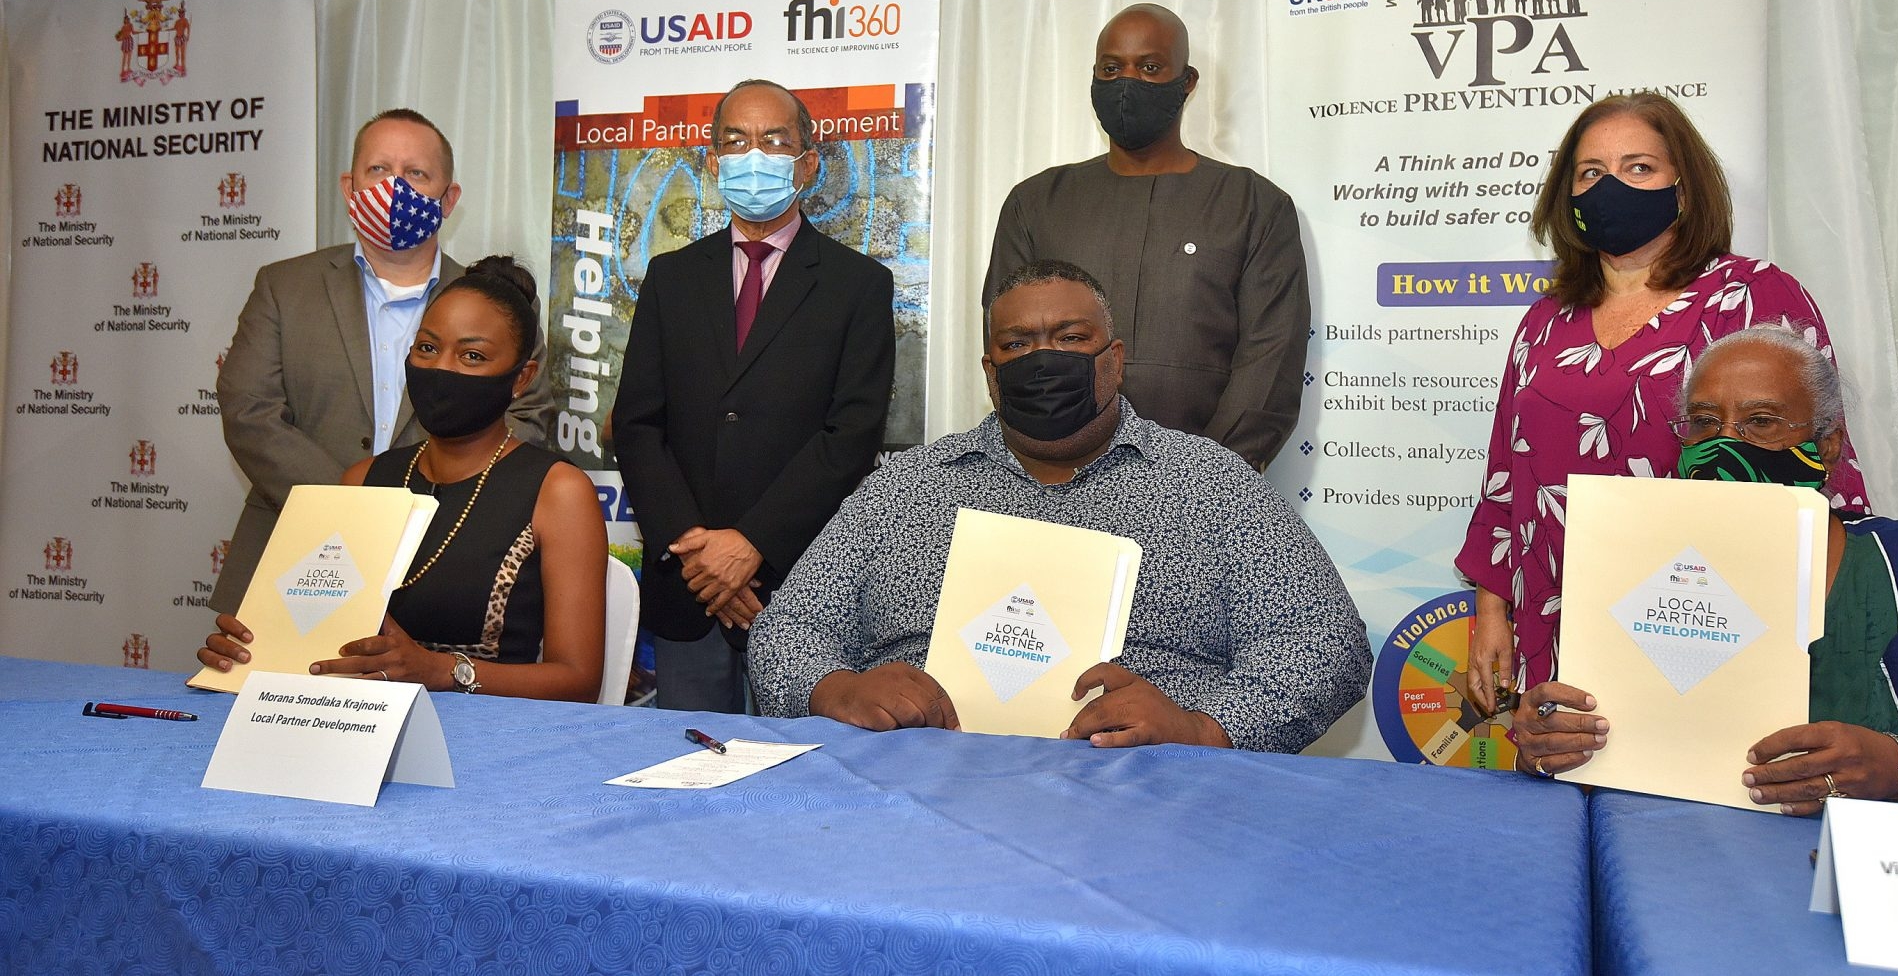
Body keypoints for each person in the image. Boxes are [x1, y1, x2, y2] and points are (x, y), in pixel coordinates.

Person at [748, 260, 1370, 753]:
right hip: (922, 785)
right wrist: (833, 689)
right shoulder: (906, 488)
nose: (1043, 360)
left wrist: (1204, 728)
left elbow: (1327, 645)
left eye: (1071, 338)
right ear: (991, 373)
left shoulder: (1211, 484)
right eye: (1017, 344)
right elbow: (788, 630)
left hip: (1150, 795)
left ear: (1115, 360)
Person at [1515, 326, 1898, 811]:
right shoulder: (1631, 559)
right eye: (1704, 422)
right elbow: (1588, 750)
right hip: (1656, 863)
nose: (1726, 444)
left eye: (1761, 422)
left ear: (1828, 445)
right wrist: (1546, 745)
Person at [1459, 92, 1870, 708]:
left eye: (1639, 167)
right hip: (1554, 616)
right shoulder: (1544, 323)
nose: (1611, 187)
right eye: (1590, 173)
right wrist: (1493, 611)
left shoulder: (1752, 297)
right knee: (1562, 763)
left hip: (1707, 619)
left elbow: (1818, 467)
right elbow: (1505, 477)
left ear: (1685, 186)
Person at [200, 258, 606, 701]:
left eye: (472, 356)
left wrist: (442, 671)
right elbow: (316, 633)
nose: (442, 369)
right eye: (427, 348)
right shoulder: (363, 481)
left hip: (491, 730)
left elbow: (578, 681)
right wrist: (255, 650)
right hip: (358, 723)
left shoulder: (557, 491)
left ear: (521, 379)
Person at [613, 79, 895, 713]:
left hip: (802, 584)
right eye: (736, 141)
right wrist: (696, 549)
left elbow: (850, 438)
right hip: (688, 588)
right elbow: (637, 425)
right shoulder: (670, 278)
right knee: (689, 759)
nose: (754, 156)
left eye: (774, 141)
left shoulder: (858, 286)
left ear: (808, 163)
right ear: (714, 164)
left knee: (802, 764)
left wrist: (750, 544)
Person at [214, 108, 550, 617]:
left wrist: (427, 510)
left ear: (449, 198)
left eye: (416, 173)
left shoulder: (498, 303)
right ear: (349, 187)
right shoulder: (283, 287)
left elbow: (527, 416)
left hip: (447, 560)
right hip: (295, 553)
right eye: (378, 170)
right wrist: (355, 507)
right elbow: (249, 412)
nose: (395, 188)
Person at [982, 3, 1308, 471]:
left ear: (1187, 81)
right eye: (1111, 69)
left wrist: (1214, 478)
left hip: (1204, 485)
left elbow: (1270, 361)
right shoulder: (1035, 203)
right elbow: (1009, 346)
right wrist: (1051, 466)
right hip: (1056, 477)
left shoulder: (1253, 204)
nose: (1126, 83)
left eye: (1149, 68)